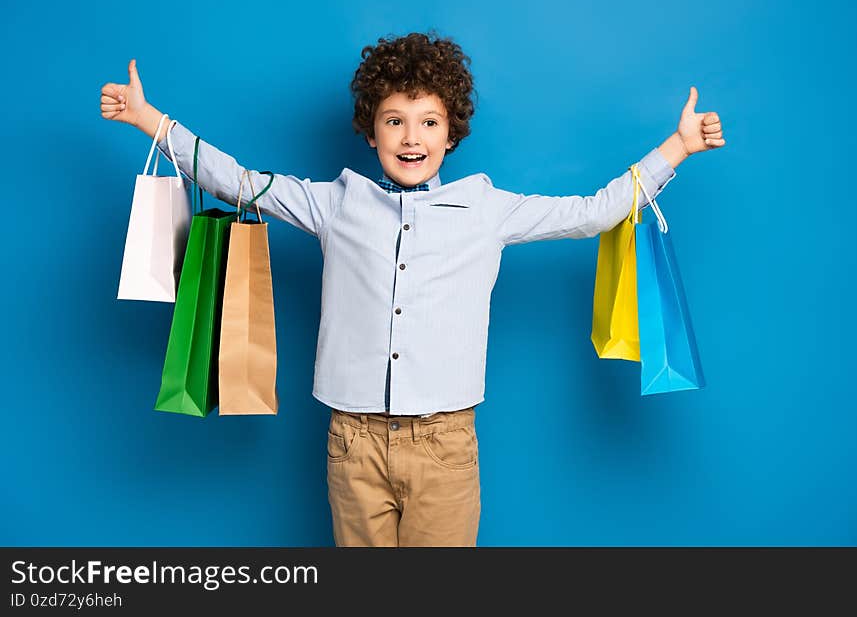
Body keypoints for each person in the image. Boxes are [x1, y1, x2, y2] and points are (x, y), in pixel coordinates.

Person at [99, 30, 725, 547]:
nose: (411, 137)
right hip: (353, 440)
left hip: (445, 444)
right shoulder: (334, 202)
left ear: (451, 133)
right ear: (370, 131)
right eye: (394, 121)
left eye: (429, 122)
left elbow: (592, 212)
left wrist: (680, 146)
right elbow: (235, 180)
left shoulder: (488, 209)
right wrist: (147, 118)